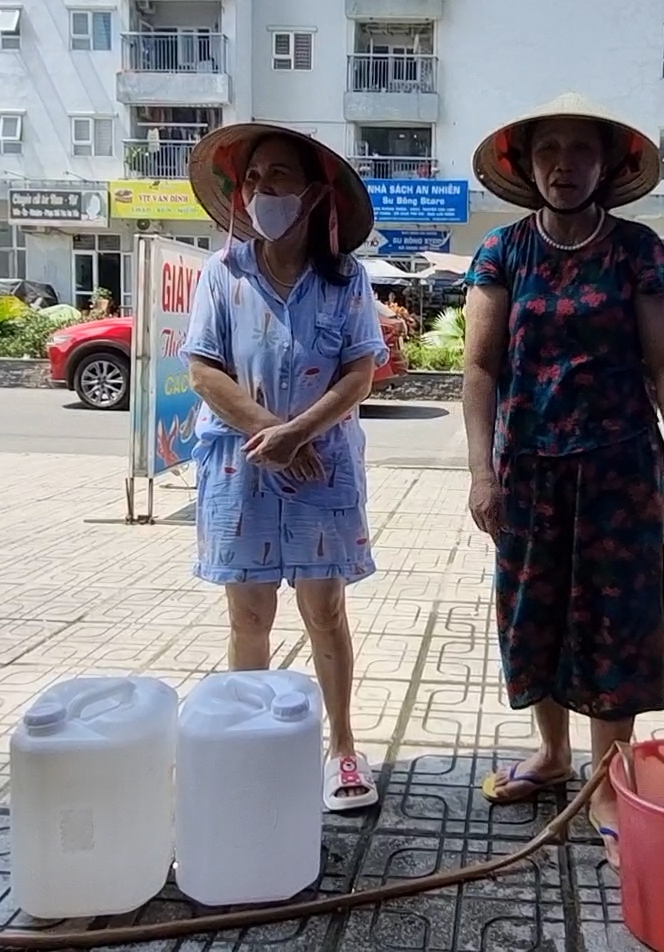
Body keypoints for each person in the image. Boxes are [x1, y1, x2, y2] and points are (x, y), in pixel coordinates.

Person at [461, 94, 664, 868]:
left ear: (607, 166)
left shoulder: (638, 251)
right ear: (525, 165)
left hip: (619, 469)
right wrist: (481, 471)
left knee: (617, 619)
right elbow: (479, 365)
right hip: (527, 470)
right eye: (546, 152)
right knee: (531, 609)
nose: (562, 165)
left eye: (579, 151)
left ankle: (607, 780)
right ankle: (552, 755)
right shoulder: (502, 251)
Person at [182, 123, 388, 813]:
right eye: (254, 177)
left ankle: (343, 749)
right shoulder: (223, 272)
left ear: (313, 193)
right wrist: (274, 433)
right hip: (242, 464)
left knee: (324, 609)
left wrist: (302, 433)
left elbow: (360, 370)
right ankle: (250, 744)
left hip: (322, 468)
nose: (264, 188)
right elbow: (204, 367)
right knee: (249, 612)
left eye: (279, 175)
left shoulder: (345, 279)